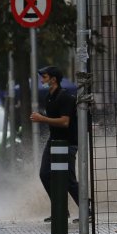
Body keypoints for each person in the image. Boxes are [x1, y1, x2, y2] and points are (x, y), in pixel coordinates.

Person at [30, 66, 79, 222]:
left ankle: (87, 211)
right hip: (54, 141)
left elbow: (65, 122)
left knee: (68, 180)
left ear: (53, 79)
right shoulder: (49, 97)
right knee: (45, 174)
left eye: (44, 77)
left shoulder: (66, 97)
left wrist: (42, 118)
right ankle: (61, 210)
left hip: (68, 142)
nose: (42, 80)